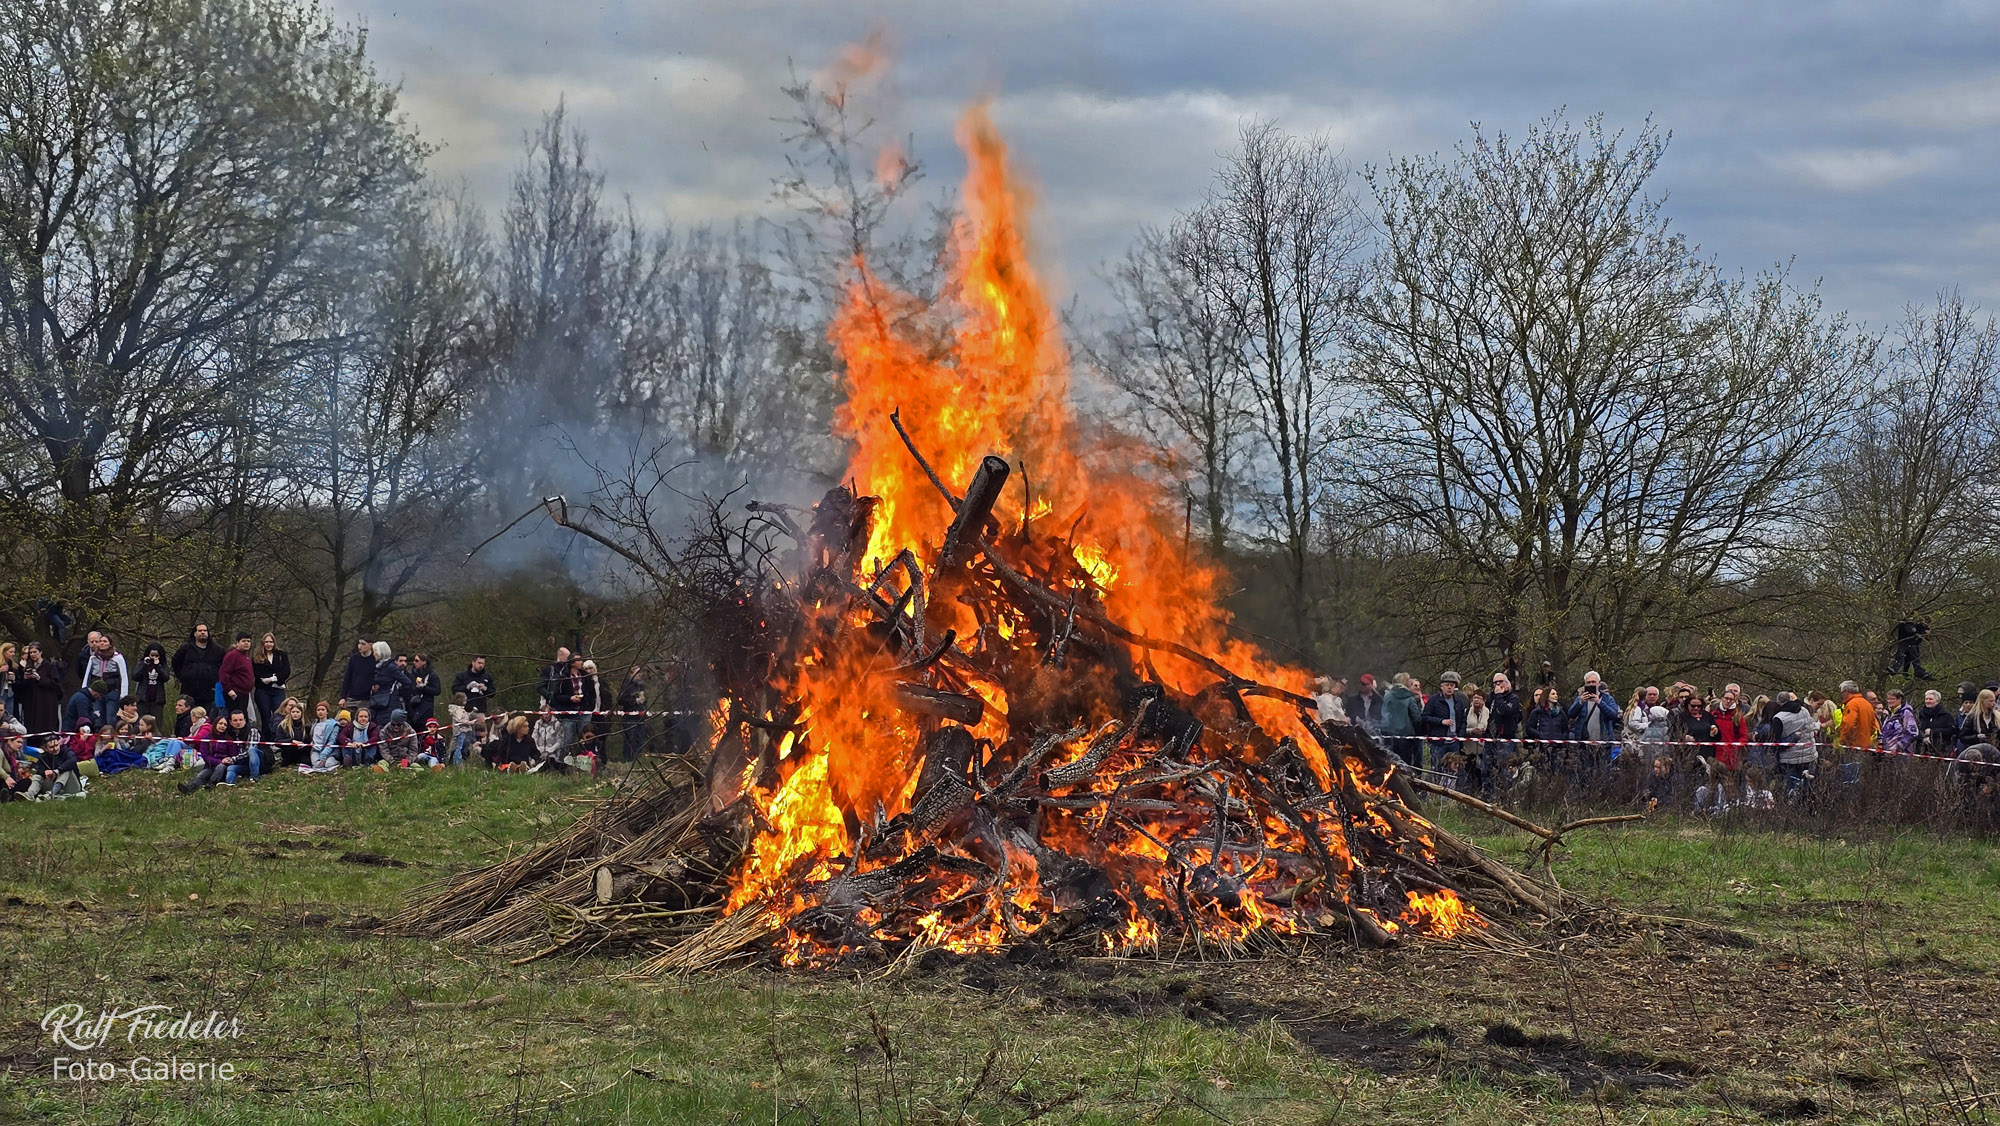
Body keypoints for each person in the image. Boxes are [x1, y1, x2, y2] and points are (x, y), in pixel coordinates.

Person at [1565, 671, 1621, 782]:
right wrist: (1580, 702)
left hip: (1603, 743)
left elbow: (1613, 714)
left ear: (1599, 683)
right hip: (1585, 743)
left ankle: (1601, 795)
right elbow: (1571, 714)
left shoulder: (1607, 699)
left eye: (1593, 682)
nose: (1591, 685)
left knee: (1603, 773)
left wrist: (1599, 702)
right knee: (1585, 773)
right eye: (1588, 682)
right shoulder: (1580, 699)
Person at [1483, 672, 1523, 800]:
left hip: (1505, 738)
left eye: (1500, 682)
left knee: (1505, 769)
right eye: (1495, 683)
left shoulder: (1513, 698)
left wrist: (1499, 695)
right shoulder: (1491, 697)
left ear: (1507, 683)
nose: (1497, 685)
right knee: (1486, 769)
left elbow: (1505, 711)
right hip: (1490, 737)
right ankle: (1488, 795)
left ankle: (1508, 797)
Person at [1419, 670, 1468, 772]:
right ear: (1442, 686)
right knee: (1437, 768)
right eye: (1447, 685)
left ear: (1455, 687)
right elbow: (1425, 717)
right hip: (1438, 741)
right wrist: (1441, 721)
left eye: (1452, 685)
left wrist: (1460, 735)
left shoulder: (1459, 702)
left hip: (1454, 741)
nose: (1449, 687)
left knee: (1455, 769)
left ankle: (1453, 787)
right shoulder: (1433, 700)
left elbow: (1463, 719)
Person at [171, 624, 224, 715]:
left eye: (205, 630)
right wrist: (183, 676)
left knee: (207, 717)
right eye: (200, 631)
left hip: (208, 691)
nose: (203, 632)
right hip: (188, 689)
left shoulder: (218, 650)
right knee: (186, 716)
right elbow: (176, 662)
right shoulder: (185, 648)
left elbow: (224, 666)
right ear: (195, 633)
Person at [15, 642, 65, 737]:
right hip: (31, 704)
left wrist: (39, 678)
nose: (33, 654)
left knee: (46, 727)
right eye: (31, 652)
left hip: (46, 703)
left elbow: (55, 685)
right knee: (31, 728)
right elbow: (21, 687)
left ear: (41, 652)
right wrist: (25, 678)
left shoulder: (50, 667)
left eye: (35, 652)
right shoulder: (27, 667)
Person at [1378, 673, 1424, 764]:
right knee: (1405, 764)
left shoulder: (1387, 696)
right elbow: (1416, 717)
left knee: (1390, 762)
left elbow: (1384, 713)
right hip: (1406, 735)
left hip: (1388, 734)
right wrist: (1419, 731)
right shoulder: (1410, 697)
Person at [250, 634, 290, 734]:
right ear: (263, 643)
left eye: (271, 642)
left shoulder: (281, 655)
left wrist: (272, 678)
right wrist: (275, 676)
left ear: (274, 643)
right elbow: (259, 674)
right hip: (262, 690)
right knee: (265, 716)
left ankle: (278, 737)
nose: (269, 644)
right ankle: (266, 739)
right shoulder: (257, 657)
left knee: (279, 715)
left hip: (278, 689)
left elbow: (286, 672)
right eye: (266, 642)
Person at [80, 631, 130, 700]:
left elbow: (124, 677)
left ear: (110, 644)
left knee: (111, 710)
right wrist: (84, 691)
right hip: (96, 692)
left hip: (112, 691)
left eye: (105, 641)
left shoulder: (117, 657)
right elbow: (87, 676)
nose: (102, 643)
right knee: (96, 710)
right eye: (100, 641)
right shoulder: (93, 657)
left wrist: (123, 696)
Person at [368, 642, 410, 719]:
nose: (373, 654)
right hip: (378, 702)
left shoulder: (391, 667)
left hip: (389, 703)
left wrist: (395, 691)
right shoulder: (378, 666)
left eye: (375, 652)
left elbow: (407, 682)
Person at [217, 632, 255, 718]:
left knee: (243, 718)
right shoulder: (232, 655)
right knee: (235, 718)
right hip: (235, 693)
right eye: (243, 641)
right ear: (237, 643)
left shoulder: (246, 657)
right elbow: (223, 673)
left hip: (244, 693)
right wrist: (229, 690)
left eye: (248, 641)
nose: (246, 643)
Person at [617, 665, 650, 763]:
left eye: (640, 673)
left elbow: (646, 700)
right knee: (629, 739)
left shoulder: (641, 685)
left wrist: (643, 701)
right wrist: (634, 701)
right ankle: (628, 760)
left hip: (640, 716)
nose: (639, 675)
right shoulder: (626, 685)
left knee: (639, 739)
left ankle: (638, 760)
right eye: (637, 673)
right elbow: (620, 700)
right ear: (631, 674)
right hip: (629, 716)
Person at [133, 643, 170, 726]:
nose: (154, 657)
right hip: (143, 699)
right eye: (152, 655)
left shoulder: (162, 665)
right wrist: (144, 665)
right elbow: (135, 676)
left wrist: (158, 666)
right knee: (141, 723)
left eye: (156, 655)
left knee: (156, 725)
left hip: (157, 700)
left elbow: (165, 677)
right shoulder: (142, 663)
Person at [1837, 681, 1878, 753]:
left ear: (1846, 692)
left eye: (1842, 692)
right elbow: (1873, 726)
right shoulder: (1867, 704)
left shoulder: (1852, 704)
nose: (1842, 695)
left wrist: (1843, 741)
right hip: (1866, 746)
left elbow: (1848, 725)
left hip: (1853, 746)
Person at [270, 698, 312, 767]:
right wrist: (291, 741)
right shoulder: (283, 725)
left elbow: (309, 741)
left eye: (297, 712)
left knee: (307, 762)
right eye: (293, 712)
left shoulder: (306, 726)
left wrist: (303, 745)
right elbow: (277, 741)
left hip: (302, 752)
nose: (295, 714)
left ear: (301, 713)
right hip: (288, 751)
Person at [1916, 689, 1956, 756]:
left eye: (1931, 699)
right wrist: (1922, 737)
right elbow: (1916, 729)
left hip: (1940, 750)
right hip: (1922, 750)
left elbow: (1951, 731)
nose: (1928, 701)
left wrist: (1933, 732)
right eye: (1926, 699)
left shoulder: (1945, 715)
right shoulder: (1921, 714)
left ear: (1937, 701)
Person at [1879, 688, 1917, 757]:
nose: (1889, 701)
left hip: (1901, 754)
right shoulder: (1889, 714)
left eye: (1892, 699)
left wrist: (1898, 747)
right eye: (1888, 699)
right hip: (1887, 753)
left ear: (1899, 699)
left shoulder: (1906, 713)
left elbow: (1912, 733)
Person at [338, 638, 375, 710]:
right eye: (359, 643)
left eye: (363, 644)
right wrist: (343, 697)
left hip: (368, 699)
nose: (360, 646)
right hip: (352, 697)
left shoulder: (374, 659)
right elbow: (347, 678)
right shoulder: (354, 659)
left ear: (370, 645)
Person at [310, 704, 341, 770]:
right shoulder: (314, 723)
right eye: (318, 710)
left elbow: (332, 741)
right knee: (317, 765)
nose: (320, 712)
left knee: (328, 764)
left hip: (330, 751)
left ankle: (337, 762)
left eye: (323, 710)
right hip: (316, 750)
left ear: (327, 712)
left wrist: (325, 753)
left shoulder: (334, 724)